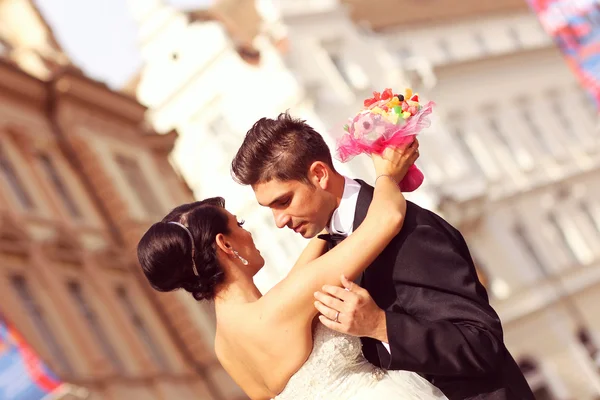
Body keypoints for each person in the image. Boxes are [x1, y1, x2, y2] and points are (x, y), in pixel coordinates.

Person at [230, 112, 535, 400]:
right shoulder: (331, 250)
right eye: (270, 208)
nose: (279, 221)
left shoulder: (412, 231)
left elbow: (482, 344)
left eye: (283, 201)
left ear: (319, 174)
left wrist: (379, 325)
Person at [138, 140, 447, 399]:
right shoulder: (283, 305)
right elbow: (387, 219)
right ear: (226, 245)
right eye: (239, 224)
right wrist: (387, 173)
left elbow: (313, 258)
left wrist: (320, 207)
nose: (251, 233)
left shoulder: (225, 347)